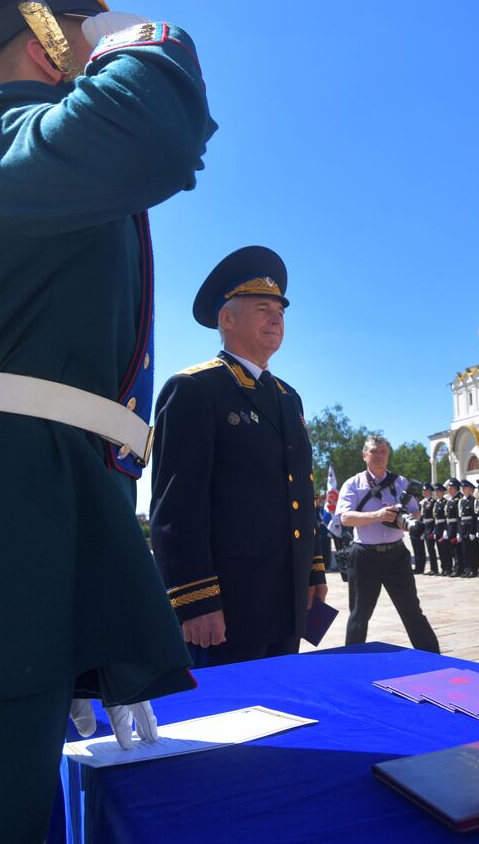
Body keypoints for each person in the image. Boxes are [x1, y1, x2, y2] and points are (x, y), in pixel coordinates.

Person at [0, 0, 213, 840]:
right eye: (77, 32)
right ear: (46, 39)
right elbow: (156, 132)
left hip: (37, 478)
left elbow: (162, 145)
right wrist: (147, 34)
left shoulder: (31, 156)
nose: (93, 48)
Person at [151, 247, 327, 665]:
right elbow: (177, 505)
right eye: (262, 308)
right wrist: (195, 600)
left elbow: (301, 491)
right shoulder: (195, 390)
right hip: (228, 603)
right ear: (225, 319)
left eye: (280, 310)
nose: (276, 317)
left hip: (287, 596)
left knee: (286, 712)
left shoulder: (288, 398)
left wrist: (314, 570)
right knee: (231, 720)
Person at [335, 436, 440, 651]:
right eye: (374, 451)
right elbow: (345, 518)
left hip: (396, 555)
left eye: (383, 451)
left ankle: (434, 659)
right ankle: (351, 663)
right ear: (364, 455)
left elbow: (415, 512)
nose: (379, 456)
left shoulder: (400, 482)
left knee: (412, 611)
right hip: (364, 555)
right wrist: (378, 515)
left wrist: (406, 523)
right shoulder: (353, 484)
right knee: (359, 614)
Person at [417, 482, 439, 576]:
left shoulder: (432, 502)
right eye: (423, 490)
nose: (423, 492)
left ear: (429, 492)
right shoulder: (424, 502)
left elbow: (434, 517)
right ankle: (432, 568)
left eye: (425, 490)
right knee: (428, 549)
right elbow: (422, 517)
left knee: (431, 549)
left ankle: (435, 569)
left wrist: (434, 530)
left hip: (430, 526)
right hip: (425, 526)